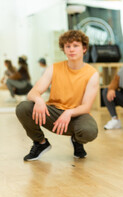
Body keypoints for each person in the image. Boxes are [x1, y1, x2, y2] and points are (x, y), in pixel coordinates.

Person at [15, 30, 99, 161]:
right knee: (23, 107)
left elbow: (86, 107)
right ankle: (40, 143)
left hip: (76, 115)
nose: (71, 49)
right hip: (53, 113)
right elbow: (32, 92)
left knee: (90, 131)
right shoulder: (54, 68)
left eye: (75, 46)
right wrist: (39, 100)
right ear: (64, 49)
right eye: (68, 46)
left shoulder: (92, 73)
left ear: (84, 49)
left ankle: (77, 141)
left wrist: (69, 113)